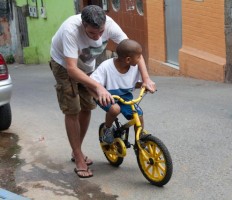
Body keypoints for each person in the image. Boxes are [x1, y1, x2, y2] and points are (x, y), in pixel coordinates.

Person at [49, 5, 156, 178]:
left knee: (87, 107)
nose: (98, 38)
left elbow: (135, 52)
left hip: (87, 66)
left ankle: (76, 149)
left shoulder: (110, 24)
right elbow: (72, 69)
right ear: (83, 24)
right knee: (73, 109)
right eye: (92, 34)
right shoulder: (71, 29)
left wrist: (146, 78)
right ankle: (78, 157)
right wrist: (99, 87)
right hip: (64, 65)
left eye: (101, 33)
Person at [89, 39, 147, 144]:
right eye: (138, 57)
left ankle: (140, 138)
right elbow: (90, 83)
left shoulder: (134, 67)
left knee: (139, 115)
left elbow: (133, 83)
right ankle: (108, 128)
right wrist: (97, 96)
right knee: (115, 109)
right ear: (128, 59)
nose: (140, 60)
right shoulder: (106, 67)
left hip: (125, 97)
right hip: (107, 96)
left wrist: (144, 85)